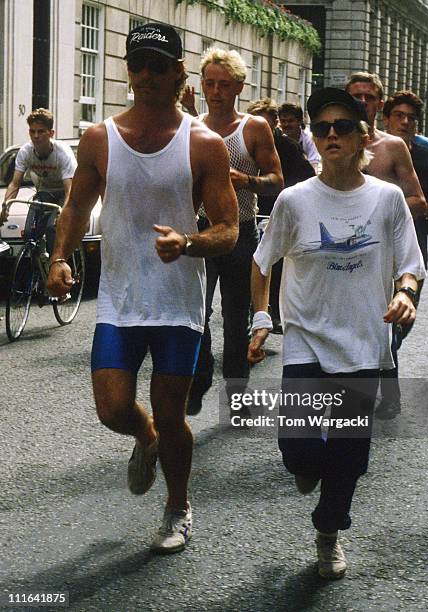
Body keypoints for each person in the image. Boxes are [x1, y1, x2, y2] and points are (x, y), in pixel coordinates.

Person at [47, 22, 238, 553]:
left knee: (173, 411)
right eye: (138, 65)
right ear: (127, 72)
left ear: (180, 71)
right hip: (120, 298)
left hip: (178, 301)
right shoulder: (98, 138)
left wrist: (190, 243)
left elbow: (229, 228)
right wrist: (60, 257)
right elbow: (78, 205)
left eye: (159, 64)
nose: (147, 75)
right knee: (112, 410)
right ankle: (144, 436)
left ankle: (177, 509)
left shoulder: (203, 144)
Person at [248, 87, 425, 579]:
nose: (330, 135)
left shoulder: (386, 199)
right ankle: (308, 463)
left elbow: (409, 266)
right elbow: (262, 265)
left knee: (347, 457)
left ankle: (328, 533)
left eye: (341, 127)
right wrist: (262, 319)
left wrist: (405, 293)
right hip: (306, 337)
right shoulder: (295, 200)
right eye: (321, 128)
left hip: (364, 341)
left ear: (361, 136)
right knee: (299, 448)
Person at [186, 48, 283, 415]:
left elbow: (277, 180)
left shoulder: (253, 127)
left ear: (239, 87)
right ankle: (201, 375)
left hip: (241, 231)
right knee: (196, 310)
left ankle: (238, 396)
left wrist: (248, 180)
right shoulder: (193, 126)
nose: (215, 92)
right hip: (202, 231)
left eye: (224, 85)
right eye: (209, 83)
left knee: (235, 315)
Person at [378, 90, 428, 418]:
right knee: (380, 321)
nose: (405, 122)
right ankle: (387, 392)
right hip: (372, 250)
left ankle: (385, 360)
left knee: (400, 322)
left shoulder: (425, 152)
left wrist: (398, 213)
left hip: (411, 249)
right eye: (399, 116)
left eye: (411, 117)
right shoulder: (369, 150)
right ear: (387, 117)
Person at [247, 97, 314, 333]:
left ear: (273, 123)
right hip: (249, 213)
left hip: (278, 211)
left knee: (273, 265)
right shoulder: (244, 141)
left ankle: (271, 311)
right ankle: (253, 312)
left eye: (264, 123)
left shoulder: (288, 147)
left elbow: (306, 178)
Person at [345, 72, 426, 217]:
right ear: (346, 101)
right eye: (356, 96)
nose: (363, 101)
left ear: (380, 105)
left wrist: (375, 213)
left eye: (370, 97)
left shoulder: (394, 146)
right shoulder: (328, 141)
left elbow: (418, 202)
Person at [0, 108, 77, 253]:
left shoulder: (63, 153)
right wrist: (6, 207)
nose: (36, 136)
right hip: (44, 192)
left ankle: (57, 265)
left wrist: (63, 215)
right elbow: (15, 183)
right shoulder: (25, 152)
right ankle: (37, 268)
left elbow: (69, 191)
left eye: (41, 131)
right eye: (32, 131)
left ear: (51, 133)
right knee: (30, 233)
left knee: (52, 228)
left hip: (63, 192)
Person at [278, 102, 321, 171]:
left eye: (290, 121)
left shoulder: (309, 138)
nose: (286, 125)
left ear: (300, 121)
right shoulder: (279, 138)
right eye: (283, 121)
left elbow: (313, 164)